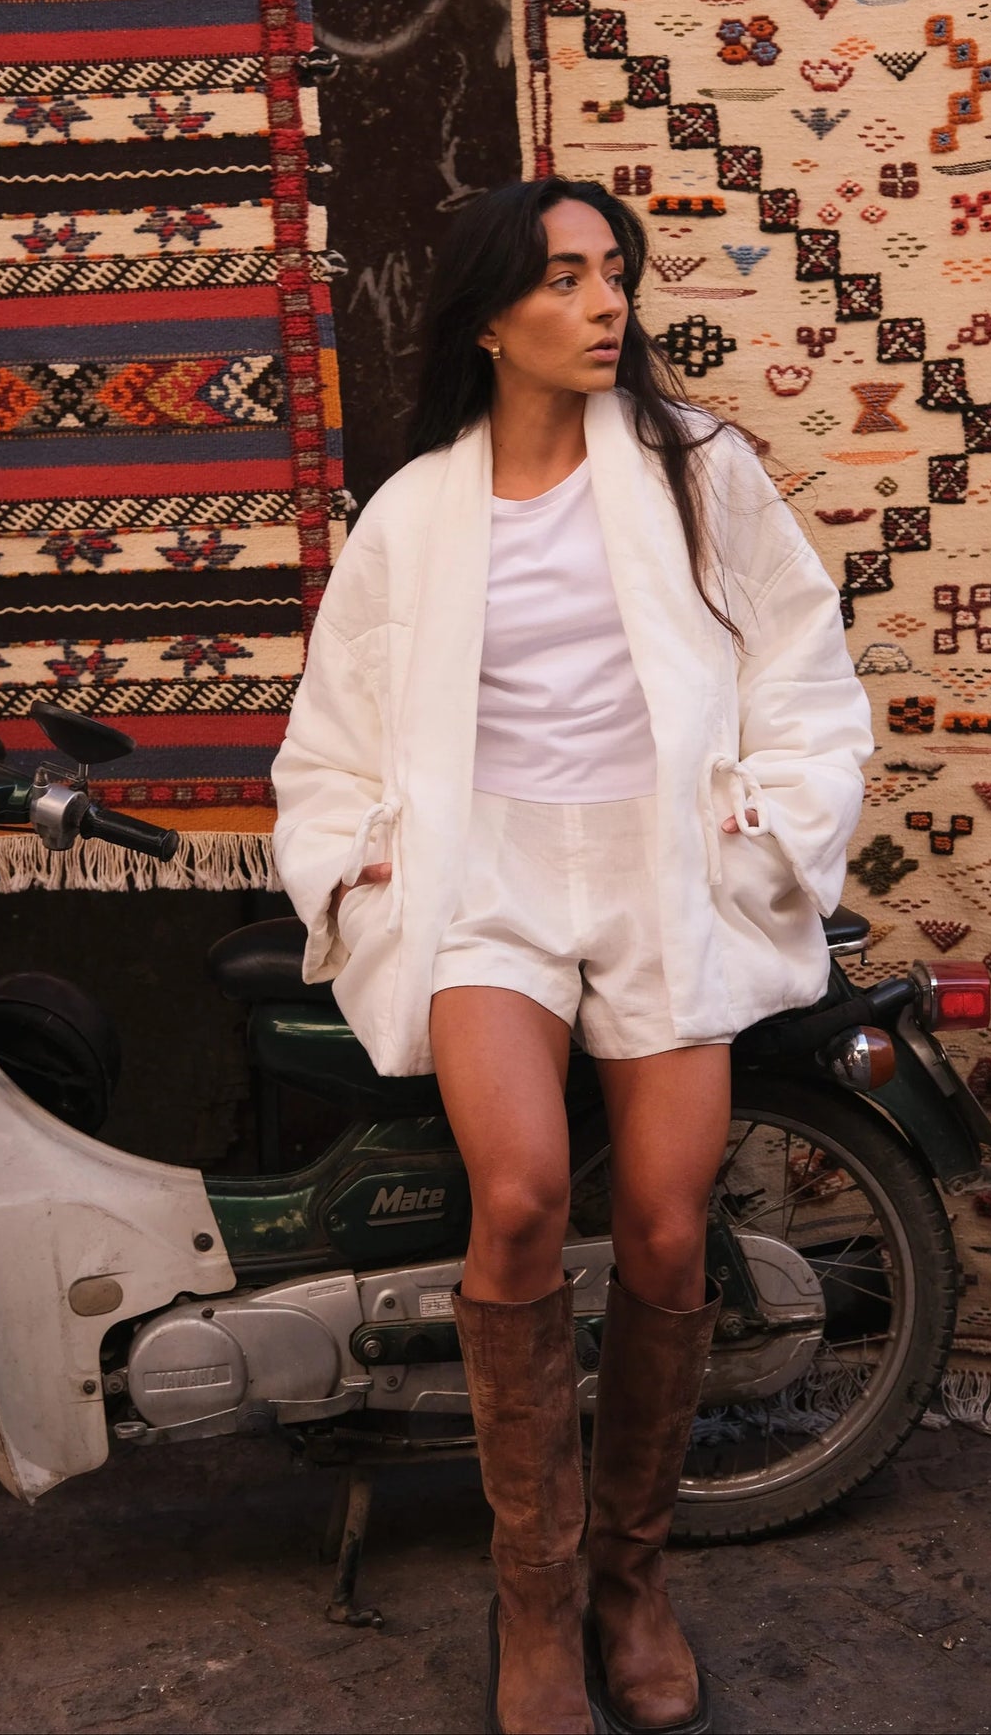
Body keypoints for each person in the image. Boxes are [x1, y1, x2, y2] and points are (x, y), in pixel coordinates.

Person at [271, 177, 873, 1735]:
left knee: (667, 1232)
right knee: (526, 1195)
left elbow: (802, 668)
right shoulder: (414, 514)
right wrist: (361, 862)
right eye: (562, 278)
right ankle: (533, 1601)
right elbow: (333, 733)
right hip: (490, 880)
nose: (605, 304)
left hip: (662, 867)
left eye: (615, 272)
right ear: (489, 317)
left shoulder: (697, 469)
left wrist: (767, 824)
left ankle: (630, 1584)